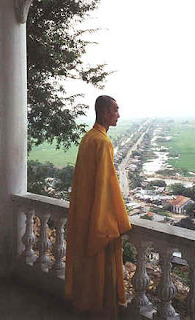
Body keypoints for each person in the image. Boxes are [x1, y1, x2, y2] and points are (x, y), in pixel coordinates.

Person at [65, 95, 131, 319]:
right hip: (98, 219)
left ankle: (84, 308)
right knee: (102, 274)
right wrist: (113, 221)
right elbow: (105, 186)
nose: (118, 115)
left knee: (87, 270)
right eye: (115, 110)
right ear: (104, 113)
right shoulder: (102, 142)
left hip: (84, 214)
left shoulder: (89, 138)